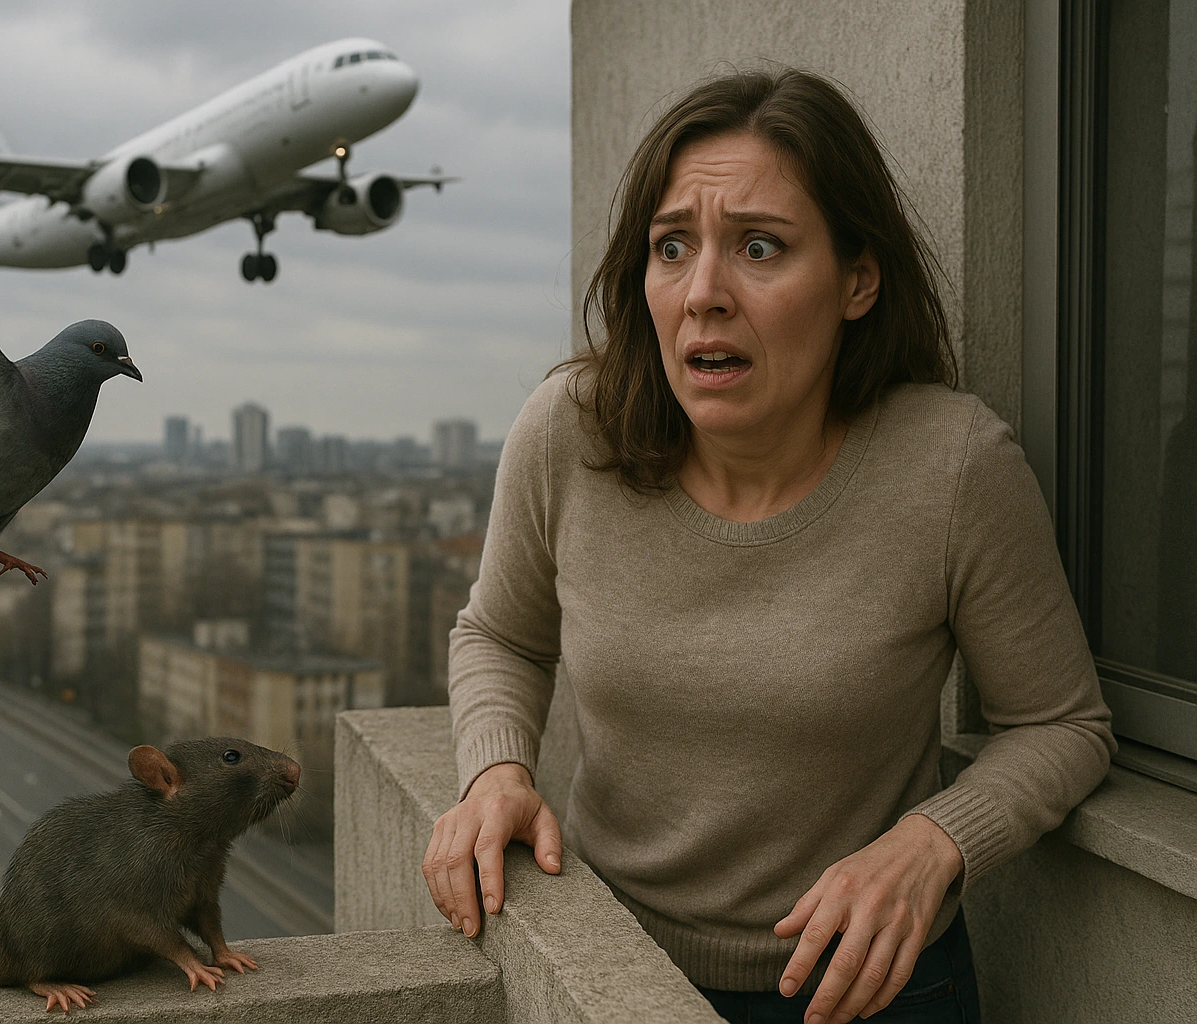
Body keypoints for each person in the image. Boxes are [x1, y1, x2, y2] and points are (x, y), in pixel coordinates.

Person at [423, 68, 1114, 1024]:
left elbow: (1063, 724)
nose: (703, 293)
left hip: (874, 992)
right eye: (673, 247)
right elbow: (501, 635)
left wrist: (932, 843)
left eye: (760, 247)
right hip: (609, 976)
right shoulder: (566, 432)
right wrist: (496, 769)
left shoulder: (954, 466)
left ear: (857, 280)